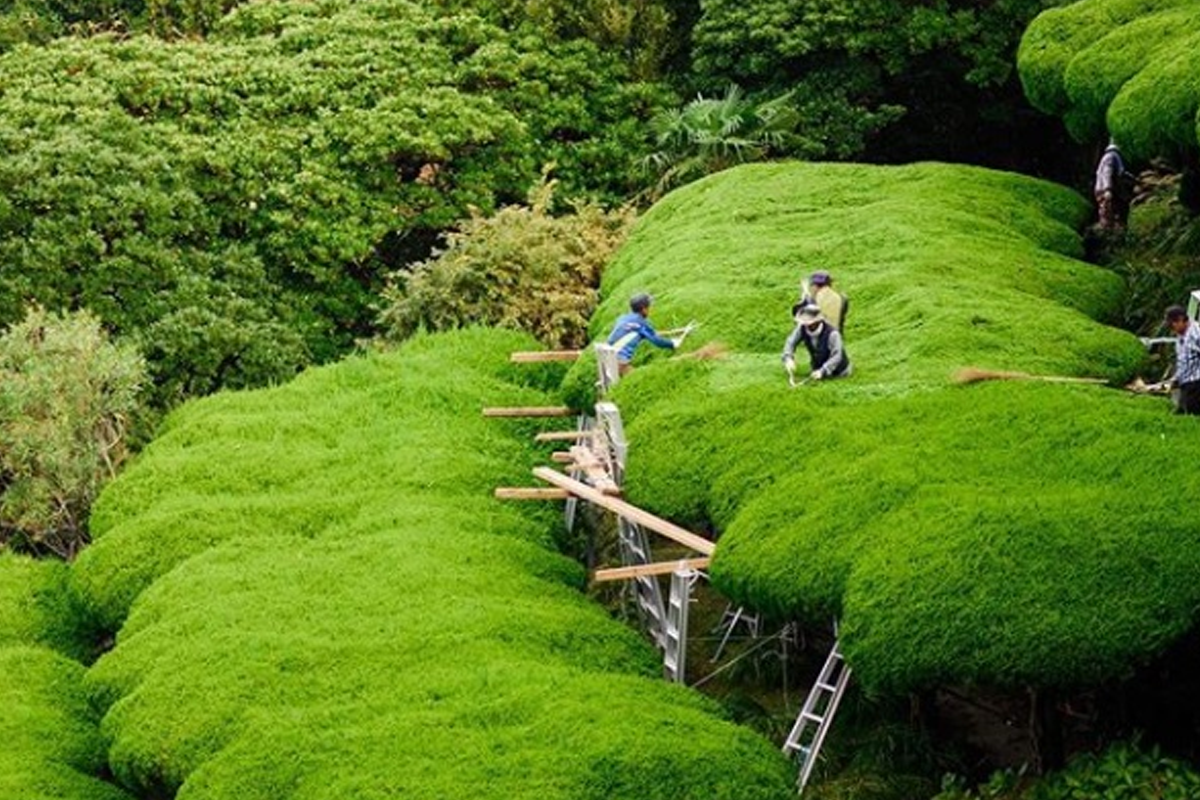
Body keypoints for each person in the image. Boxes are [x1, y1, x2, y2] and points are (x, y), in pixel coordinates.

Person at [606, 292, 678, 374]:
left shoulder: (623, 318)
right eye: (648, 307)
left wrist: (670, 333)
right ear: (643, 309)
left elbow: (649, 333)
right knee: (640, 377)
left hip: (607, 356)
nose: (650, 310)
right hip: (620, 360)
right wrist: (673, 343)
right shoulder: (641, 322)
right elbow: (657, 341)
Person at [782, 304, 850, 383]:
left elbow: (837, 355)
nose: (807, 326)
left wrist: (823, 371)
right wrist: (788, 358)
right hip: (817, 369)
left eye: (810, 323)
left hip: (839, 372)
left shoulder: (833, 334)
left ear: (818, 321)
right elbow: (791, 342)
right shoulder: (802, 328)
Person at [1164, 305, 1200, 414]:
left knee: (1192, 414)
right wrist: (1175, 379)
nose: (1171, 329)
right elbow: (1183, 361)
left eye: (1172, 325)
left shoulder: (1196, 334)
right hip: (1186, 383)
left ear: (1180, 319)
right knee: (1180, 413)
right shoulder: (1181, 335)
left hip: (1196, 383)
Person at [1094, 141, 1132, 230]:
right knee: (1109, 210)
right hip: (1106, 190)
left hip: (1101, 189)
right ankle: (1110, 230)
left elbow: (1121, 172)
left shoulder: (1108, 156)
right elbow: (1107, 172)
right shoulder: (1111, 156)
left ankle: (1111, 228)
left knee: (1109, 210)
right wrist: (1108, 189)